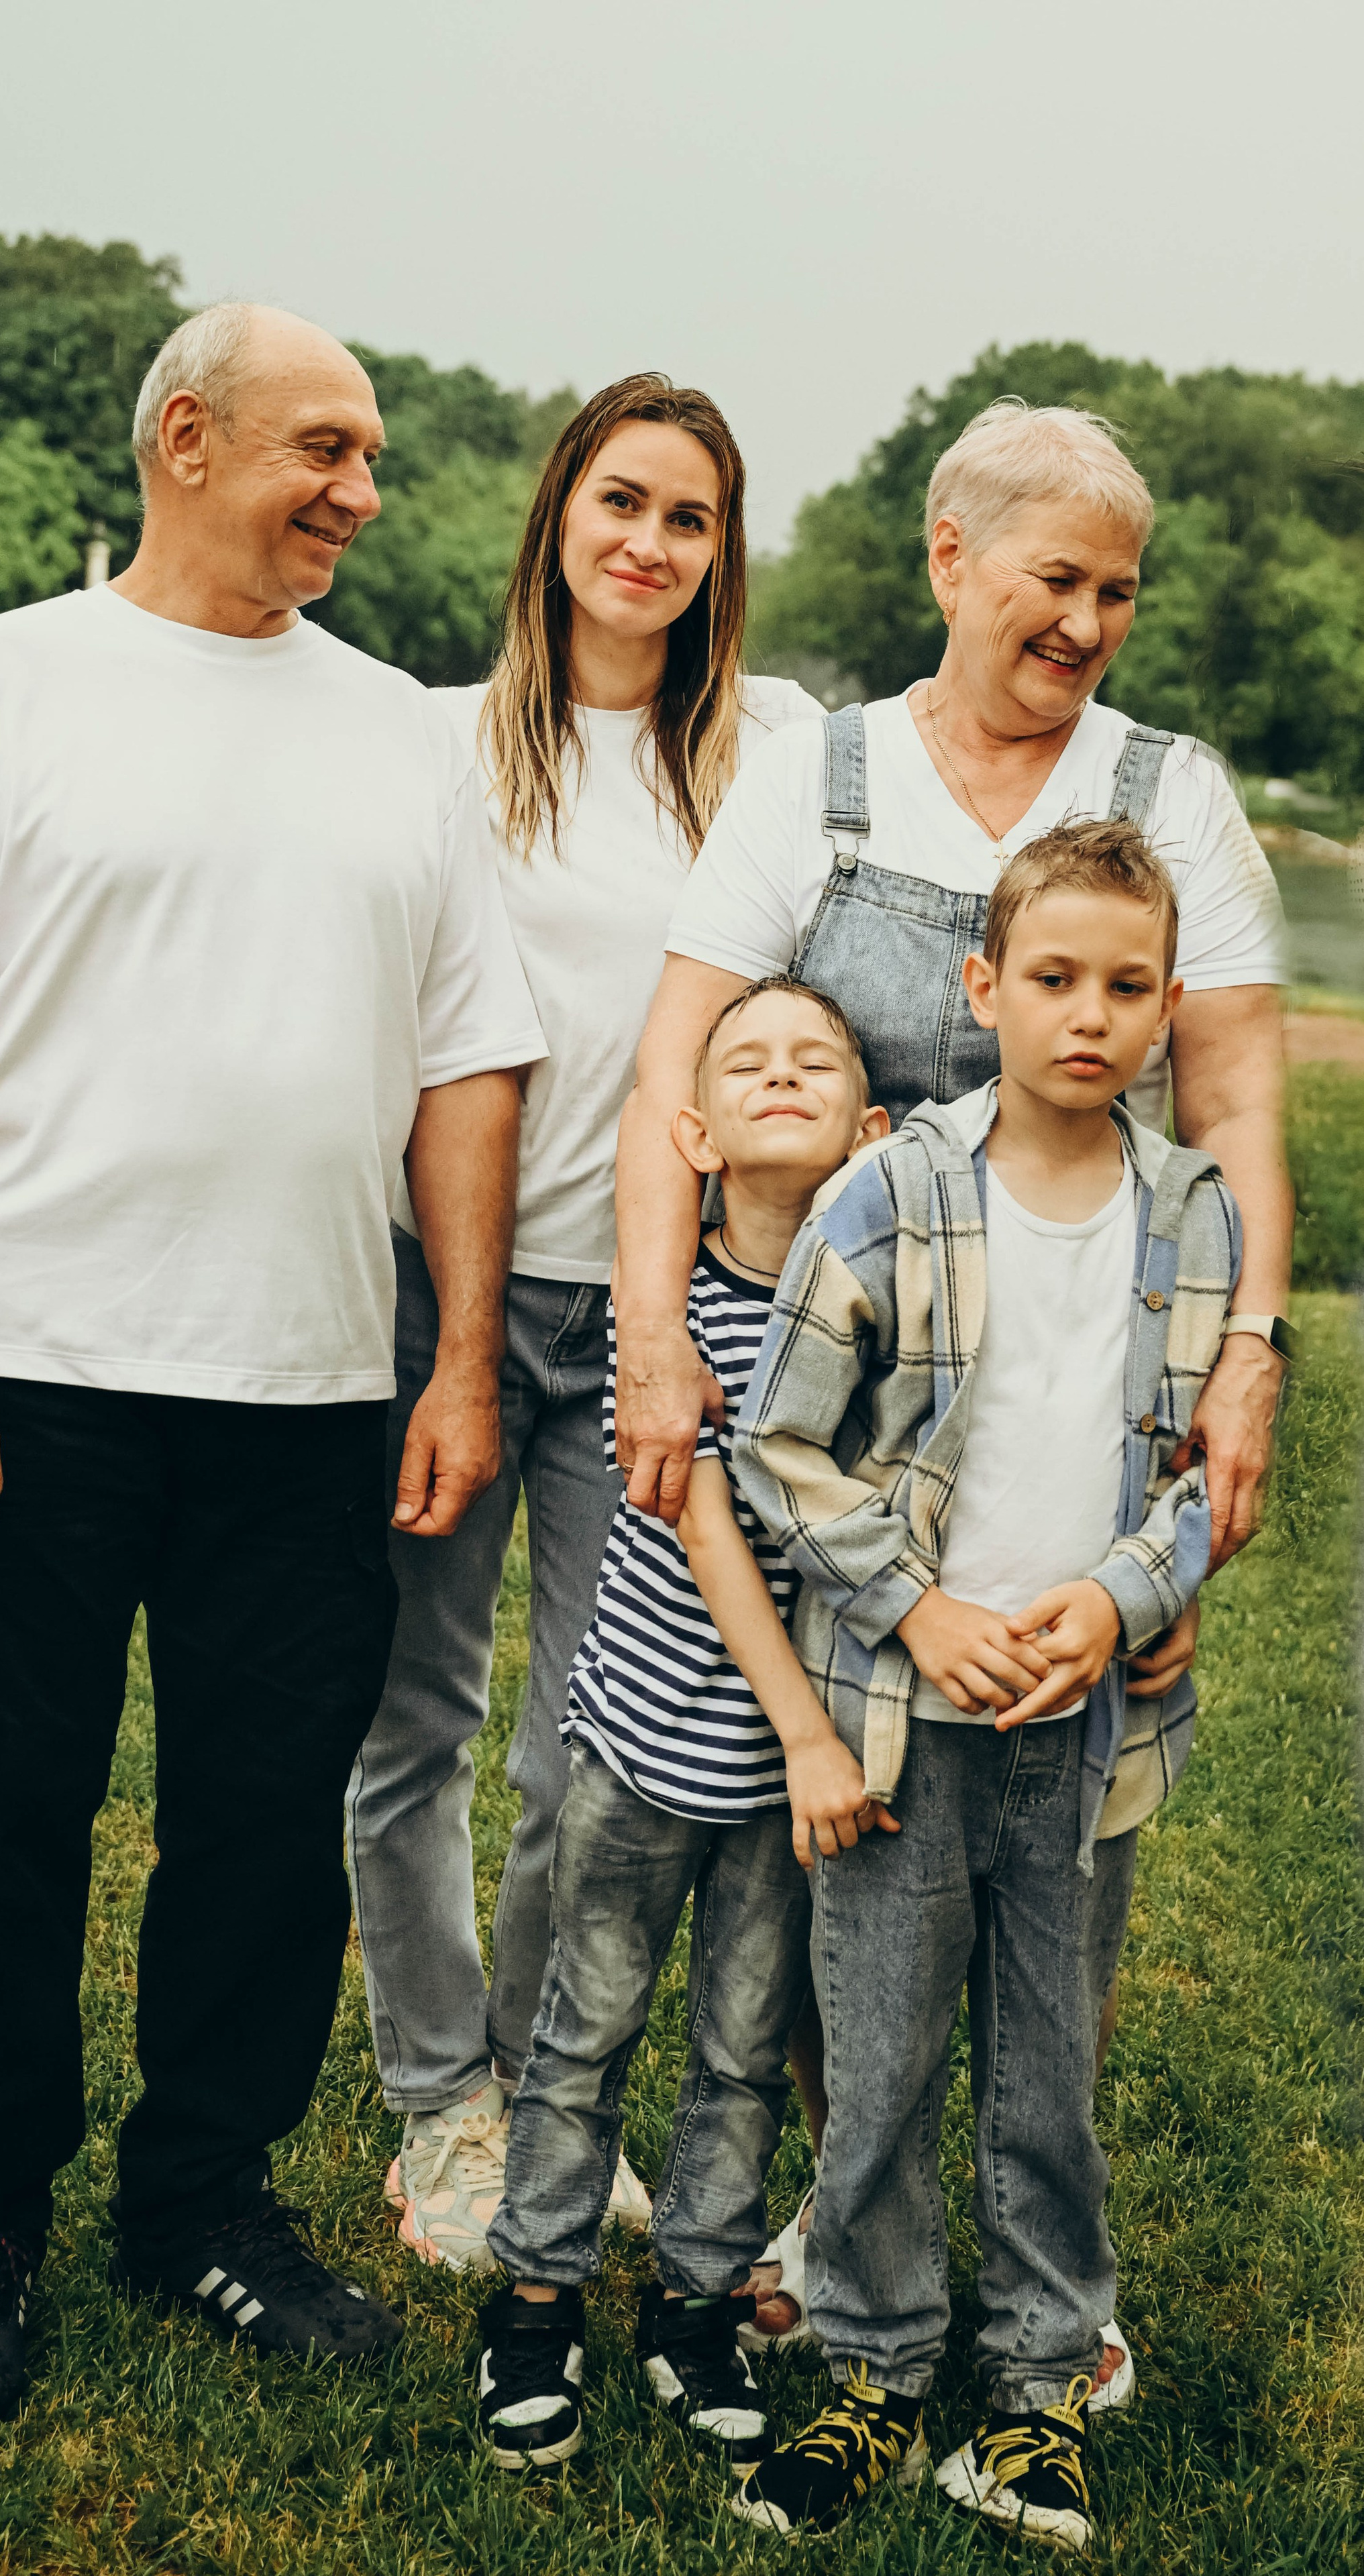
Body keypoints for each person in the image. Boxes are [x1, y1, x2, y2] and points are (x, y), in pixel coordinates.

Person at [0, 303, 546, 2419]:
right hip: (27, 1383)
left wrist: (460, 1360)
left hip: (311, 1388)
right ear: (190, 439)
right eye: (329, 447)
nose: (365, 491)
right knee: (0, 1816)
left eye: (377, 455)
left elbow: (468, 1071)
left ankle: (203, 2201)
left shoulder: (402, 731)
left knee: (258, 1825)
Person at [613, 397, 1290, 2367]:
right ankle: (857, 2237)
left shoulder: (1176, 792)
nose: (1086, 621)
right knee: (832, 1824)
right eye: (1053, 577)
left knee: (1067, 1829)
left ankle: (1038, 2284)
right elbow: (677, 1071)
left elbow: (1237, 1097)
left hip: (1085, 1387)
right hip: (841, 1402)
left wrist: (1246, 1357)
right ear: (947, 555)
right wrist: (661, 1337)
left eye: (1117, 592)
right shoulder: (813, 778)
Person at [344, 377, 820, 2271]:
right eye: (619, 501)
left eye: (688, 518)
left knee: (580, 1750)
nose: (647, 543)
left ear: (720, 558)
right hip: (436, 1299)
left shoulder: (767, 755)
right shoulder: (434, 746)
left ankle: (541, 2090)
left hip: (649, 1316)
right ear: (558, 517)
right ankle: (438, 2108)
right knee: (410, 1724)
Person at [724, 823, 1241, 2548]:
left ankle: (1031, 2393)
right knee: (873, 2062)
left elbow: (1195, 1479)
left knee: (1044, 2073)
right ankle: (875, 2360)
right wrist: (914, 1610)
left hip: (1081, 1723)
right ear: (980, 990)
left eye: (1123, 986)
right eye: (1050, 979)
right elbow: (780, 1442)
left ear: (1165, 1008)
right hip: (900, 1716)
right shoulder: (891, 1190)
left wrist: (1121, 1597)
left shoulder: (1192, 1212)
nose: (1085, 1016)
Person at [474, 977, 892, 2477]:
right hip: (647, 1754)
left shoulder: (879, 1324)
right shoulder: (655, 1324)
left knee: (735, 2052)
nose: (784, 1077)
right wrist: (803, 1738)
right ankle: (533, 2303)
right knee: (581, 2037)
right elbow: (707, 1536)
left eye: (817, 1063)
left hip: (796, 1788)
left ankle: (695, 2306)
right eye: (748, 1066)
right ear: (693, 1133)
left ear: (872, 1127)